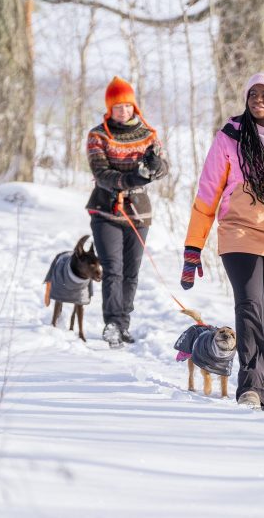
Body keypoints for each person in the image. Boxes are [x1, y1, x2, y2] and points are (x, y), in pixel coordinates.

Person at [182, 72, 264, 410]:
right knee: (249, 305)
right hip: (238, 230)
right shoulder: (229, 137)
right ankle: (250, 387)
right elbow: (208, 193)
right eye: (252, 94)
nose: (258, 100)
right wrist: (193, 248)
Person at [86, 76, 168, 348]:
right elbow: (102, 174)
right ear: (110, 109)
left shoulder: (148, 134)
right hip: (106, 209)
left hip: (138, 212)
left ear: (135, 107)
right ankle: (111, 324)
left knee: (131, 271)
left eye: (127, 106)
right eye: (117, 107)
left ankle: (123, 323)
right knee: (113, 269)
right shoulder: (98, 135)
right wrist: (136, 178)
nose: (123, 111)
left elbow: (162, 168)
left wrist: (155, 167)